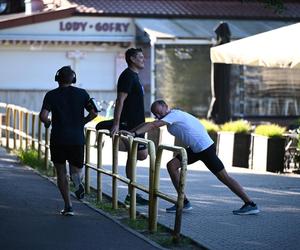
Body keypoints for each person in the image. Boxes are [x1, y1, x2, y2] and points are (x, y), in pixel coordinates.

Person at [121, 100, 260, 215]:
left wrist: (134, 135)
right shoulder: (168, 117)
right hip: (195, 149)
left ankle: (250, 203)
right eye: (155, 113)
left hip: (204, 148)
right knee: (172, 166)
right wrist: (131, 132)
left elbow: (152, 125)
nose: (157, 115)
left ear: (166, 107)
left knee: (224, 178)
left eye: (159, 111)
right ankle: (183, 202)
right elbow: (149, 123)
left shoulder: (174, 115)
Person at [39, 66, 97, 216]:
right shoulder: (82, 94)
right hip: (76, 138)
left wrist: (47, 123)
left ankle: (68, 206)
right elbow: (94, 113)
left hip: (58, 138)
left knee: (61, 172)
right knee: (76, 169)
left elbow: (43, 116)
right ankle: (77, 182)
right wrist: (82, 122)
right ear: (74, 79)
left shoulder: (51, 95)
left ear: (57, 79)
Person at [96, 48, 148, 205]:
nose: (143, 59)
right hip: (129, 124)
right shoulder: (127, 76)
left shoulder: (134, 76)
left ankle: (131, 194)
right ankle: (131, 194)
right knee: (139, 155)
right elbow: (120, 101)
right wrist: (117, 123)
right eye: (140, 57)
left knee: (137, 155)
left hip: (137, 123)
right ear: (132, 59)